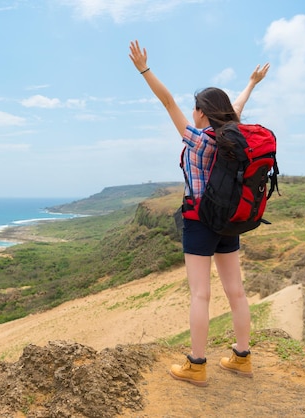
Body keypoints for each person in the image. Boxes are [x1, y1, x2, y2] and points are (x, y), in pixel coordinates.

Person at [128, 40, 270, 386]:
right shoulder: (232, 137)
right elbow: (236, 107)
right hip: (229, 221)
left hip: (199, 223)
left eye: (195, 109)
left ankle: (197, 364)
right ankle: (241, 357)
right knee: (236, 291)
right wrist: (251, 83)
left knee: (200, 294)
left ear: (202, 112)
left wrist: (144, 69)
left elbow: (166, 101)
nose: (191, 113)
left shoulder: (198, 139)